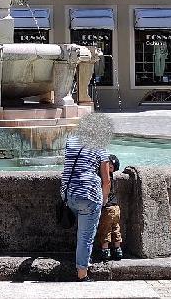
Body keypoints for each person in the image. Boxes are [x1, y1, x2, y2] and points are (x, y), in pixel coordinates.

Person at [61, 113, 112, 281]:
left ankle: (84, 259)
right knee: (85, 236)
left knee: (82, 232)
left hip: (69, 194)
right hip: (89, 195)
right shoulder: (100, 146)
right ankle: (82, 274)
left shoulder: (71, 141)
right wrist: (104, 200)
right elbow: (107, 180)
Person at [93, 154, 123, 261]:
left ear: (110, 167)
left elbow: (104, 187)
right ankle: (117, 249)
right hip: (116, 208)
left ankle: (105, 251)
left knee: (105, 229)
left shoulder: (105, 178)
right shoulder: (113, 177)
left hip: (108, 208)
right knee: (116, 228)